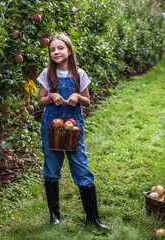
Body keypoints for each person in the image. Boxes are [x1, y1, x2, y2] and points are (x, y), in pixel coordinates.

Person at [37, 34, 110, 229]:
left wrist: (77, 95)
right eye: (52, 49)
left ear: (69, 51)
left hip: (74, 127)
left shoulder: (79, 73)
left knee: (80, 167)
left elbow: (87, 102)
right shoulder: (47, 74)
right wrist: (51, 96)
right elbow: (40, 101)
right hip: (51, 126)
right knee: (51, 168)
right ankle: (55, 217)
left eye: (60, 48)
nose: (56, 52)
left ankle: (93, 218)